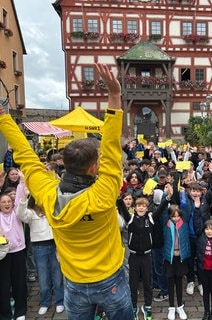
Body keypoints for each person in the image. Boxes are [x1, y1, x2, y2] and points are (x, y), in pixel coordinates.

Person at [0, 63, 133, 320]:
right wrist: (114, 95)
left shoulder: (48, 194)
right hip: (110, 280)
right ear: (95, 167)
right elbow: (113, 146)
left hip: (74, 282)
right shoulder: (103, 194)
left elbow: (25, 156)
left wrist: (5, 118)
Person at [118, 192, 171, 320]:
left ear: (147, 208)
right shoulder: (130, 218)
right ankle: (134, 307)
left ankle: (147, 306)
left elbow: (161, 209)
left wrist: (168, 198)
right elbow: (122, 207)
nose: (141, 208)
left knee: (148, 283)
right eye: (139, 206)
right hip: (134, 256)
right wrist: (119, 198)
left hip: (147, 256)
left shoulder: (151, 217)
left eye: (144, 206)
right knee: (133, 283)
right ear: (135, 207)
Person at [16, 191, 64, 316]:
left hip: (54, 245)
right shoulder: (31, 212)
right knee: (43, 277)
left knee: (57, 275)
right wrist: (24, 197)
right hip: (39, 247)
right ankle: (45, 302)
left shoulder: (52, 210)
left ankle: (60, 301)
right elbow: (20, 214)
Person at [162, 188, 190, 320]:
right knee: (170, 282)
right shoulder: (166, 224)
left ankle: (180, 306)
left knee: (179, 282)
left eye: (178, 215)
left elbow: (186, 207)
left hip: (181, 258)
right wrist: (166, 195)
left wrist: (183, 192)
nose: (176, 218)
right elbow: (162, 210)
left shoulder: (183, 224)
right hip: (170, 258)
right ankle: (171, 307)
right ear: (169, 216)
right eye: (173, 216)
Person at [0, 194, 27, 320]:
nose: (6, 204)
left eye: (9, 201)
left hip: (18, 252)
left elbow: (20, 198)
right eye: (3, 202)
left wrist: (22, 182)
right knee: (3, 285)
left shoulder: (17, 214)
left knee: (19, 282)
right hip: (2, 254)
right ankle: (5, 314)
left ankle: (20, 312)